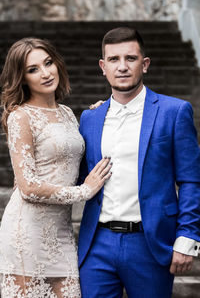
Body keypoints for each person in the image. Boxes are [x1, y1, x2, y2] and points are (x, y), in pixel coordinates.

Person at [78, 27, 200, 298]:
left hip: (150, 242)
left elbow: (192, 180)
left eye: (130, 59)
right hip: (97, 242)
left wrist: (187, 238)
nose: (122, 67)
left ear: (144, 64)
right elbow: (76, 173)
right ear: (102, 66)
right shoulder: (90, 118)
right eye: (113, 59)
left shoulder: (174, 112)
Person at [0, 37, 112, 298]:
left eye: (48, 63)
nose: (46, 73)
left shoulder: (67, 113)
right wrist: (84, 192)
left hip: (61, 233)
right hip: (26, 234)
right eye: (33, 69)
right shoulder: (21, 116)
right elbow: (27, 187)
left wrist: (103, 113)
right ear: (22, 78)